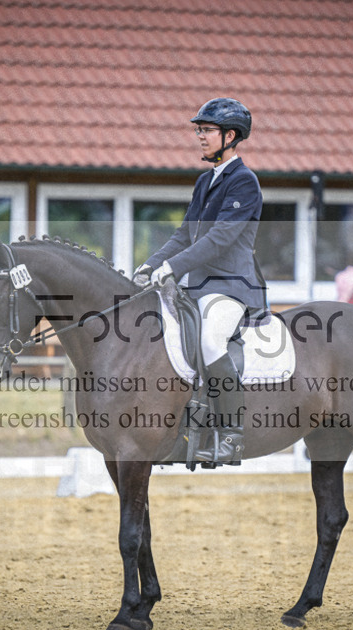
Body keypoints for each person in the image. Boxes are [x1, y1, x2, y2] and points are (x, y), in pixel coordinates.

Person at [132, 97, 264, 464]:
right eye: (199, 130)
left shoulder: (244, 183)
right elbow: (184, 235)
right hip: (197, 287)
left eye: (206, 130)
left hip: (231, 286)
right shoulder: (206, 181)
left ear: (230, 135)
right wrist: (151, 265)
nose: (200, 136)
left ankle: (232, 435)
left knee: (210, 341)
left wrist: (173, 267)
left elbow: (220, 238)